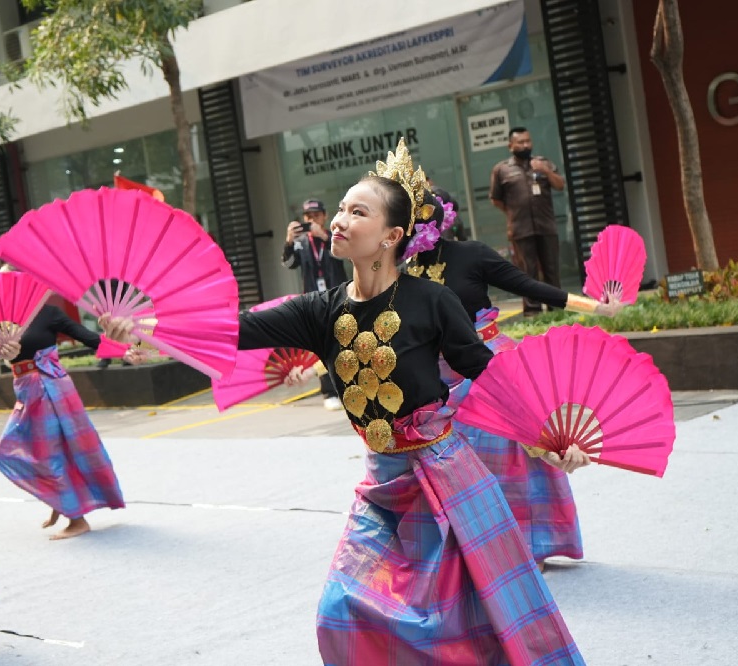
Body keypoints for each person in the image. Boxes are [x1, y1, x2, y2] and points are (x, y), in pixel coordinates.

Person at [112, 139, 589, 664]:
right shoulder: (321, 310)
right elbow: (233, 330)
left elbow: (490, 378)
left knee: (468, 623)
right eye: (340, 208)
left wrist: (544, 439)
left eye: (356, 212)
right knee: (339, 610)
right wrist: (147, 326)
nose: (338, 220)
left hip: (447, 478)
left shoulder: (432, 300)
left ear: (391, 235)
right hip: (382, 484)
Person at [403, 197, 621, 568]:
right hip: (435, 376)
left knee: (513, 457)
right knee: (447, 464)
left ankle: (526, 547)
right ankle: (464, 555)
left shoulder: (471, 254)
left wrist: (596, 307)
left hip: (490, 362)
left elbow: (528, 285)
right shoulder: (400, 271)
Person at [0, 268, 131, 540]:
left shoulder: (47, 313)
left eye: (11, 280)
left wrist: (127, 351)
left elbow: (90, 339)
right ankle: (62, 501)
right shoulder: (1, 322)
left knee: (54, 452)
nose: (6, 287)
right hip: (27, 391)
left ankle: (76, 518)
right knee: (13, 451)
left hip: (52, 389)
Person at [490, 127, 566, 314]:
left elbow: (560, 185)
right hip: (520, 229)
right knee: (526, 273)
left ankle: (555, 308)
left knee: (551, 269)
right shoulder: (502, 169)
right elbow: (496, 199)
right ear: (510, 146)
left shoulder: (543, 163)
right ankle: (533, 311)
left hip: (546, 225)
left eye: (528, 141)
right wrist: (514, 213)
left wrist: (546, 171)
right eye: (520, 142)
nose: (525, 145)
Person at [282, 198, 347, 410]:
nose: (312, 221)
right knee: (321, 345)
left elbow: (344, 255)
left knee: (342, 341)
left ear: (325, 216)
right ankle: (329, 391)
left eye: (316, 216)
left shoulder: (336, 236)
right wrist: (289, 242)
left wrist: (325, 237)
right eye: (308, 217)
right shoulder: (301, 243)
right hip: (314, 300)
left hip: (337, 296)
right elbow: (289, 264)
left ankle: (347, 387)